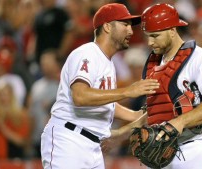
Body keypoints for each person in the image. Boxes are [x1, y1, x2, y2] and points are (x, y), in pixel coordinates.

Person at [109, 3, 202, 169]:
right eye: (147, 36)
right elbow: (158, 111)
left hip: (195, 150)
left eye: (155, 36)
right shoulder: (154, 64)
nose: (150, 42)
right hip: (161, 155)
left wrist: (180, 122)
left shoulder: (200, 58)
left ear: (172, 30)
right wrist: (123, 133)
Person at [40, 3, 160, 169]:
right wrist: (127, 91)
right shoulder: (87, 53)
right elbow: (80, 97)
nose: (131, 31)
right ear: (107, 27)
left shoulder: (107, 62)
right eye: (125, 25)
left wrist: (136, 116)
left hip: (93, 146)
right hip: (68, 141)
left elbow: (103, 101)